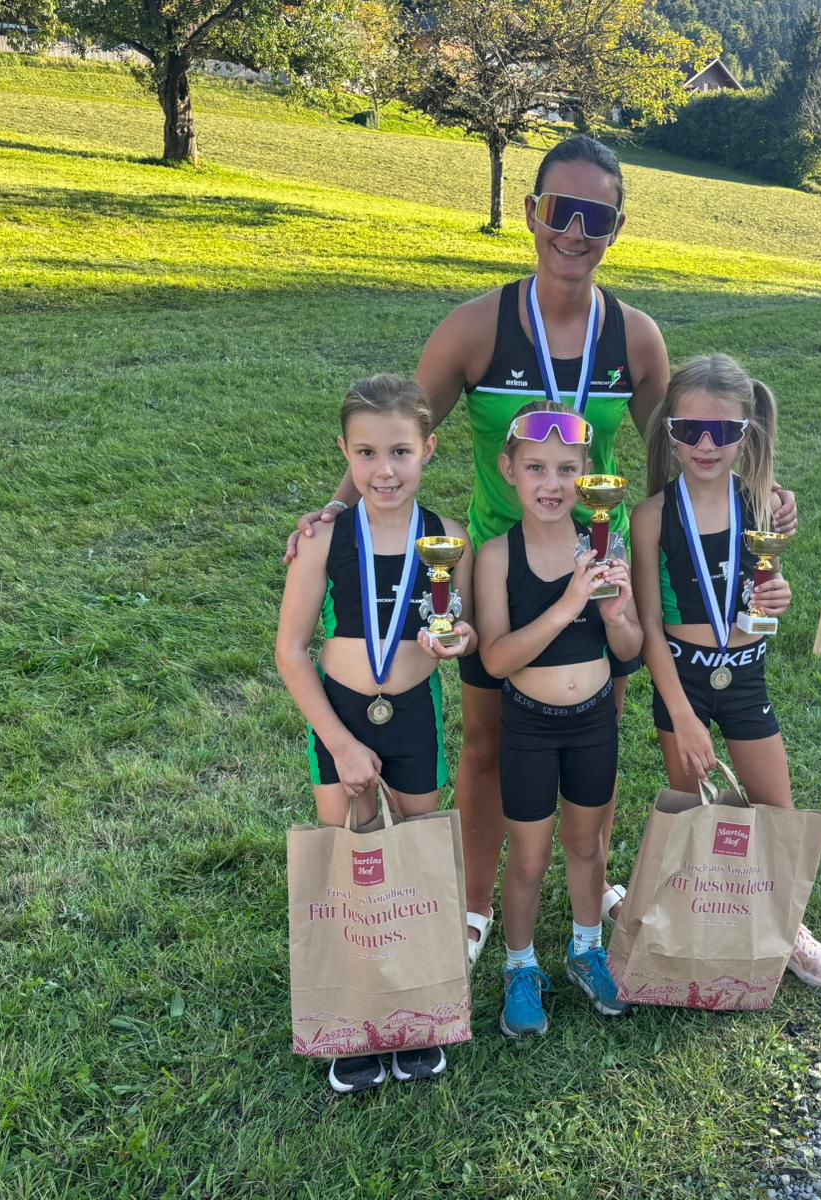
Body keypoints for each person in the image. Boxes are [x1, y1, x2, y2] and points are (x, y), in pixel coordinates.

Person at [285, 134, 799, 965]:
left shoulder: (636, 339)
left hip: (597, 576)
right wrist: (334, 509)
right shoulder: (474, 328)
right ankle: (477, 905)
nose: (576, 232)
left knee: (597, 730)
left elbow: (682, 459)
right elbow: (402, 430)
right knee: (488, 744)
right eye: (562, 210)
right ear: (532, 212)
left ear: (617, 228)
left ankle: (594, 894)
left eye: (597, 216)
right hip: (496, 571)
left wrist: (757, 501)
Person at [275, 375, 476, 1093]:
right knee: (349, 865)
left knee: (415, 863)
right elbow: (291, 651)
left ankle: (416, 1013)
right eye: (366, 453)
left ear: (429, 449)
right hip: (342, 718)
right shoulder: (325, 539)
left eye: (400, 452)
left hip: (414, 714)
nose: (384, 470)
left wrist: (460, 640)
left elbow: (463, 624)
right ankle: (354, 1018)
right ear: (344, 452)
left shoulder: (450, 537)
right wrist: (339, 742)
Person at [629, 355, 821, 990]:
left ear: (747, 432)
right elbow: (649, 627)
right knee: (692, 814)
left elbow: (764, 590)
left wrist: (777, 596)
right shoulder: (650, 516)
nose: (706, 444)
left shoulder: (764, 504)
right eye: (690, 430)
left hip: (746, 674)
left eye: (723, 431)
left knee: (776, 809)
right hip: (682, 681)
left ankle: (788, 929)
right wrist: (681, 716)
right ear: (669, 431)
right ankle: (693, 923)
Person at [473, 403, 643, 1036]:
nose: (552, 483)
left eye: (567, 469)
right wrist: (570, 601)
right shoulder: (496, 556)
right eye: (536, 468)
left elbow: (629, 648)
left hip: (593, 722)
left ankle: (586, 949)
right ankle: (520, 966)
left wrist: (616, 614)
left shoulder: (605, 547)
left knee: (587, 845)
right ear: (508, 470)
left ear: (587, 475)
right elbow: (496, 659)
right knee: (529, 857)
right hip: (529, 726)